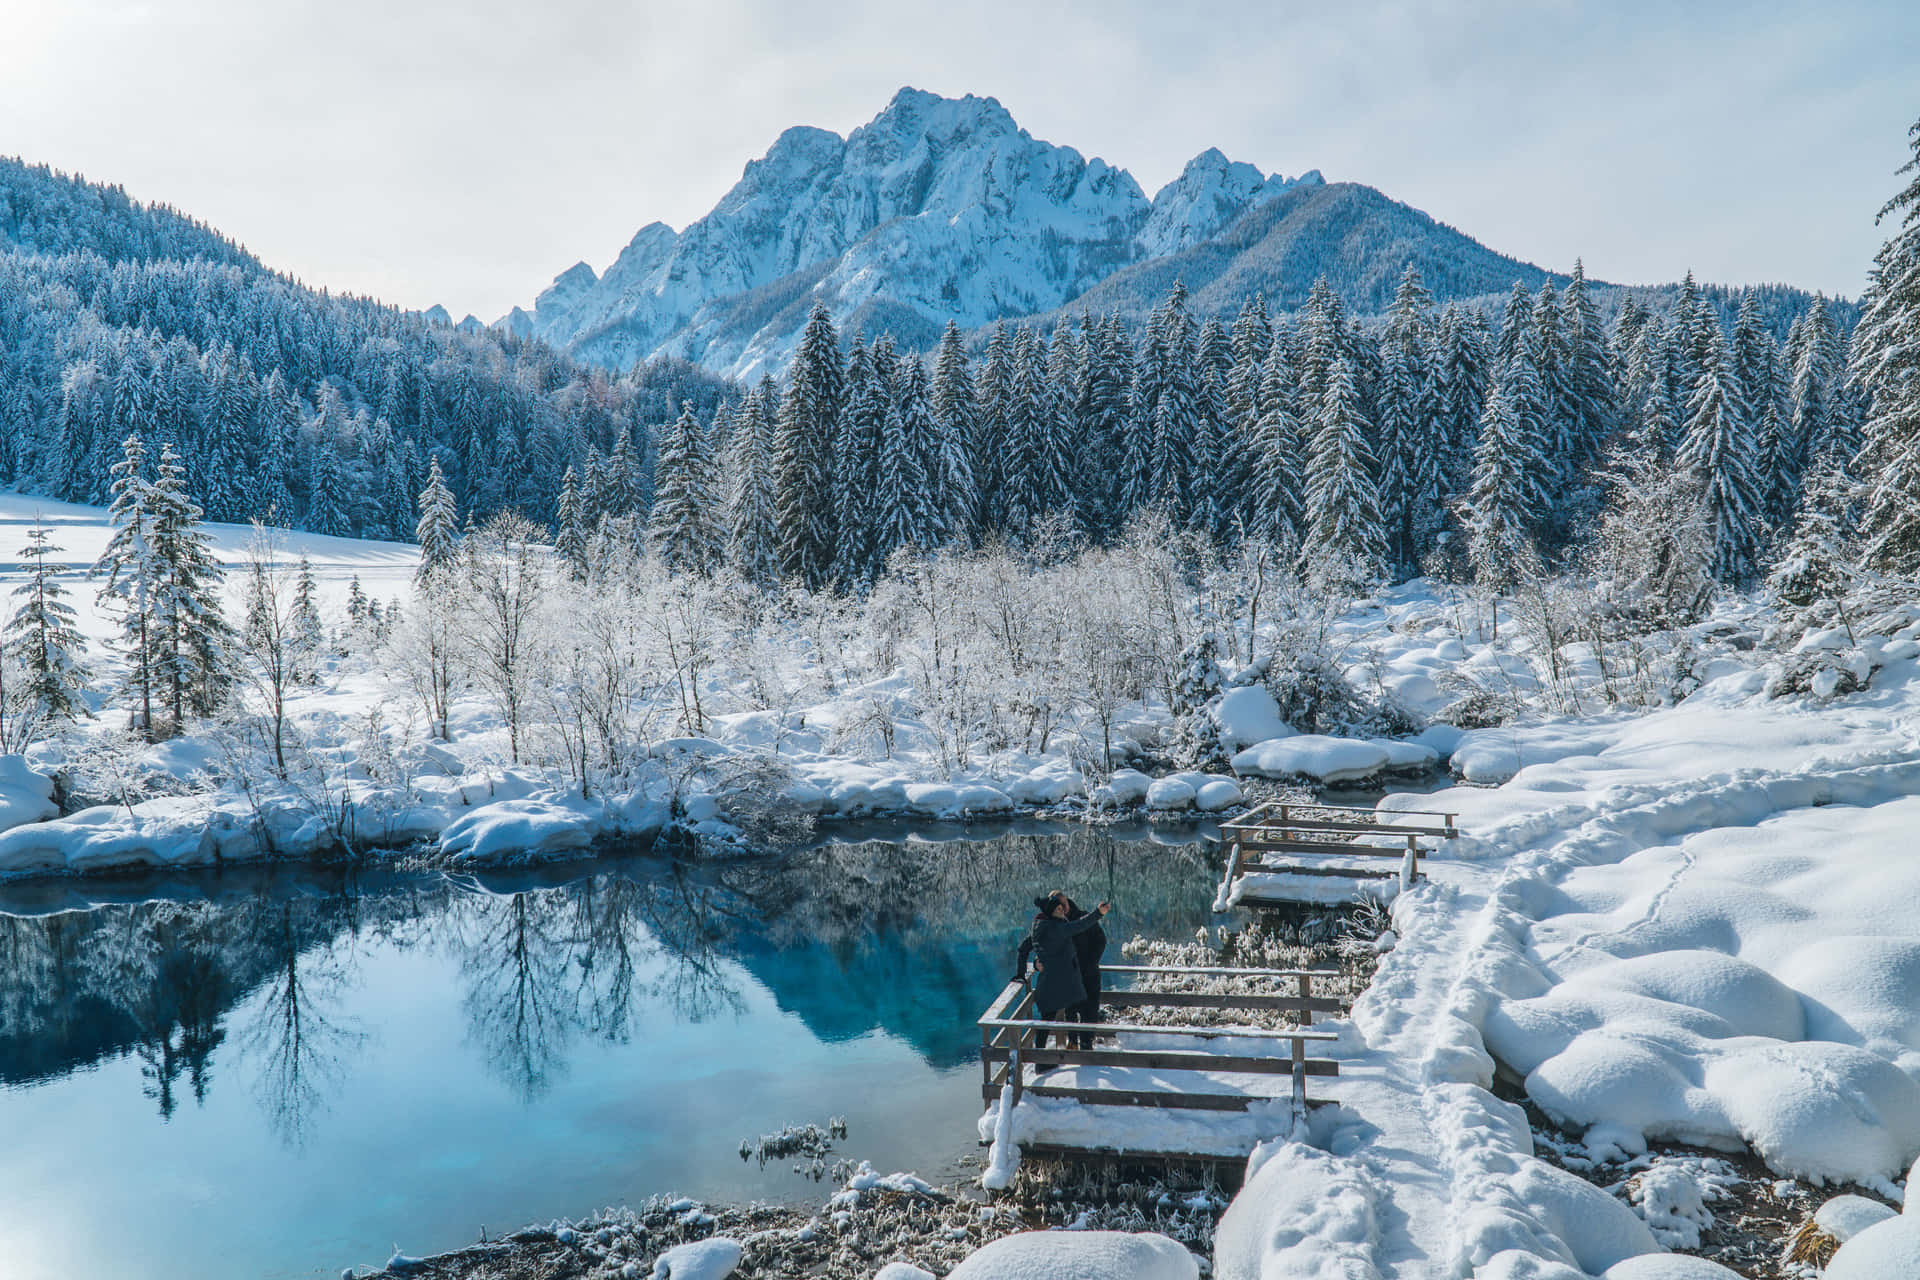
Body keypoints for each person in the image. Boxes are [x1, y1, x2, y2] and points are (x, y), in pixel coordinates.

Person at [1015, 891, 1110, 1052]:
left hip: (1075, 977)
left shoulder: (1049, 923)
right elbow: (1079, 926)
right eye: (1058, 907)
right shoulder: (1054, 926)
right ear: (1051, 910)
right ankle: (1060, 1050)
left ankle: (1082, 1046)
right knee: (1059, 1015)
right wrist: (1098, 913)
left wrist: (1022, 971)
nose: (1062, 909)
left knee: (1082, 1011)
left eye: (1062, 906)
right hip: (1063, 980)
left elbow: (1099, 940)